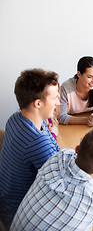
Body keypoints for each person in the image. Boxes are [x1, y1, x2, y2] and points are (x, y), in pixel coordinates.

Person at [0, 69, 61, 229]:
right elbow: (62, 183)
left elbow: (53, 148)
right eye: (55, 97)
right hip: (19, 217)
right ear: (38, 103)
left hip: (6, 202)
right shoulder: (37, 142)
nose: (58, 102)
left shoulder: (16, 118)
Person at [58, 56, 93, 126]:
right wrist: (86, 120)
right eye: (89, 77)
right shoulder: (66, 88)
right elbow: (61, 116)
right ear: (79, 74)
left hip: (92, 125)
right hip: (71, 127)